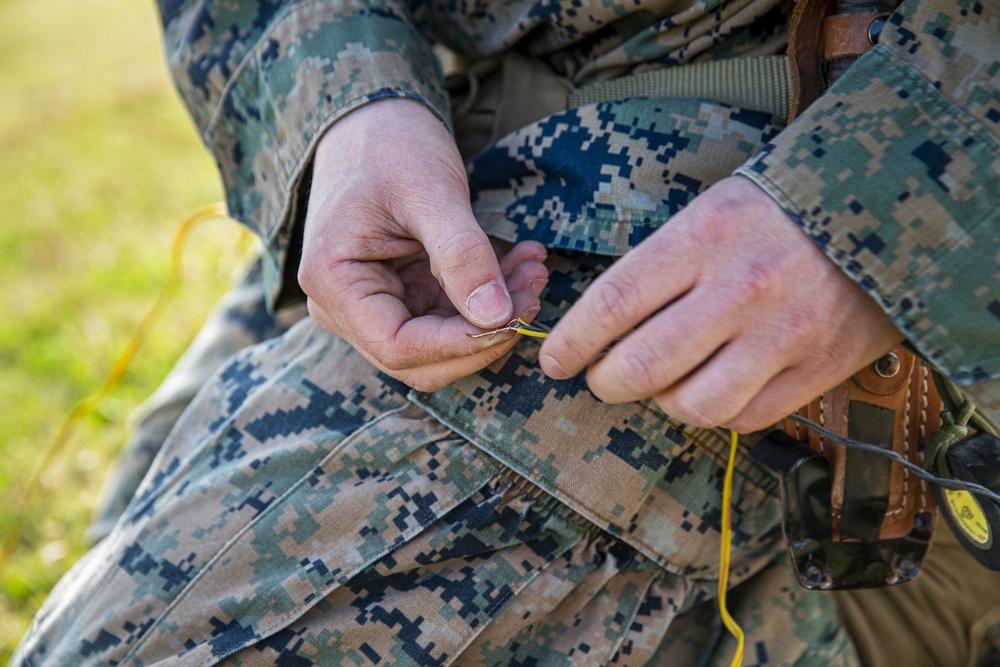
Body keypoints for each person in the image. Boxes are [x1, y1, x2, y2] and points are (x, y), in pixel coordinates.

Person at [13, 0, 1000, 664]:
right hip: (442, 159)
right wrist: (342, 106)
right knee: (128, 516)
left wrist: (907, 199)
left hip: (761, 204)